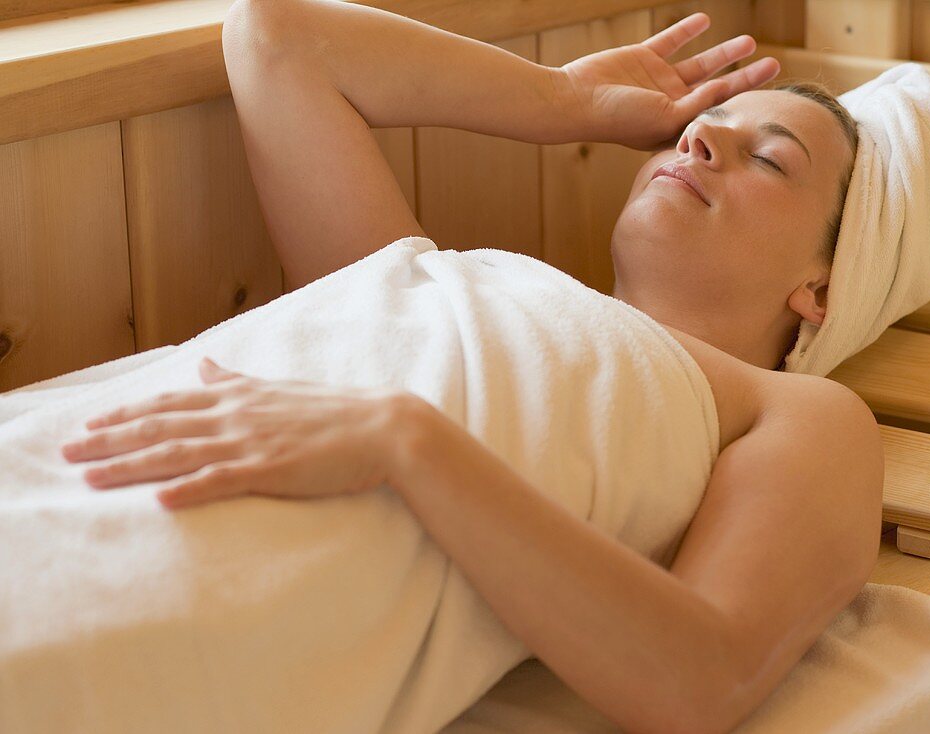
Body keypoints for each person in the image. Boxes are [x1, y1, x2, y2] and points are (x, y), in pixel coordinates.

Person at [43, 1, 885, 732]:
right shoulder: (422, 277)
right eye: (703, 123)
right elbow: (273, 36)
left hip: (171, 573)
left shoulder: (796, 411)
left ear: (821, 286)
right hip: (67, 457)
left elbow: (704, 678)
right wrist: (563, 96)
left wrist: (406, 442)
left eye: (770, 159)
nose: (703, 137)